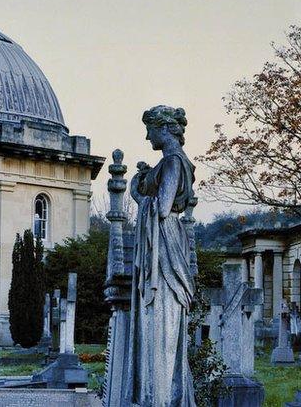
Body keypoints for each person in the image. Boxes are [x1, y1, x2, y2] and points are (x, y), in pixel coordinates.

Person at [128, 105, 197, 407]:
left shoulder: (173, 162)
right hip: (164, 239)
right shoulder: (169, 163)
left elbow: (163, 207)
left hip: (164, 245)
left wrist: (137, 195)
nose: (146, 136)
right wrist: (146, 179)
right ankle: (156, 394)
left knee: (162, 325)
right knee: (158, 324)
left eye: (150, 129)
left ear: (165, 128)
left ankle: (160, 397)